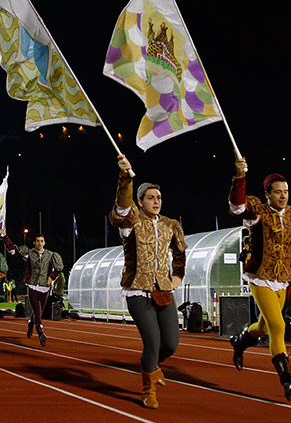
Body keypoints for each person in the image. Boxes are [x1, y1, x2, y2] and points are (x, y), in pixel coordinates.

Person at [228, 156, 291, 401]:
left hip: (283, 280)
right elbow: (237, 206)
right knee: (278, 327)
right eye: (278, 192)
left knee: (265, 326)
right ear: (267, 194)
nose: (283, 196)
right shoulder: (257, 212)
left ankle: (239, 341)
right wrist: (240, 176)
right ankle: (287, 380)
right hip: (260, 277)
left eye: (286, 191)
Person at [109, 155, 187, 410]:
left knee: (171, 344)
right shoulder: (131, 223)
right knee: (152, 341)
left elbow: (180, 252)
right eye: (151, 198)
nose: (156, 201)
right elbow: (121, 207)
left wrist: (178, 275)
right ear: (140, 202)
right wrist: (125, 177)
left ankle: (151, 366)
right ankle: (148, 390)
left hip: (163, 290)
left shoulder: (169, 225)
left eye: (159, 198)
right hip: (137, 291)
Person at [1, 228, 63, 347]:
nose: (39, 243)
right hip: (32, 285)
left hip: (45, 287)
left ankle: (31, 324)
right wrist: (5, 237)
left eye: (42, 241)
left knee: (39, 311)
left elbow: (58, 269)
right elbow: (13, 250)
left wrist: (51, 278)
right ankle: (40, 332)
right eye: (37, 241)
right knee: (37, 310)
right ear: (34, 242)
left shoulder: (51, 255)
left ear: (44, 242)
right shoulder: (28, 253)